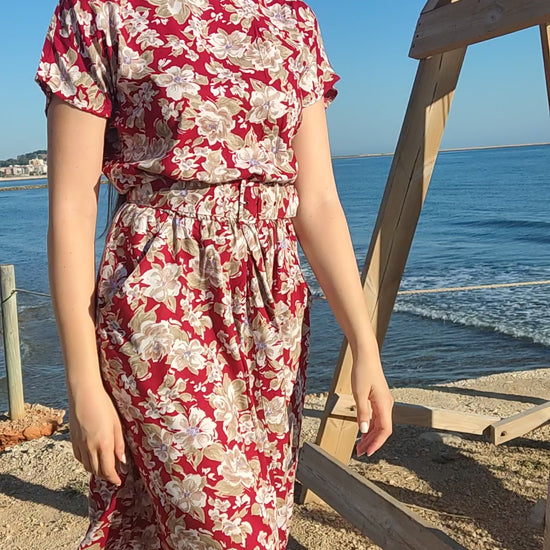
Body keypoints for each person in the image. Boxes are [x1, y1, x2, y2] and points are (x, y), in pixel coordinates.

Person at [35, 0, 394, 548]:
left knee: (253, 517)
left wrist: (365, 347)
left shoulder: (290, 17)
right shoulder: (98, 11)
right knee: (226, 529)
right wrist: (82, 381)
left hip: (269, 316)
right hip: (160, 301)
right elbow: (72, 207)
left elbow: (317, 199)